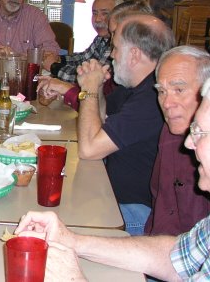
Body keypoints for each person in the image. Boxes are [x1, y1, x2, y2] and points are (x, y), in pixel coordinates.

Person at [17, 63, 210, 281]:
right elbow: (177, 257)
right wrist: (71, 240)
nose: (190, 144)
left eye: (201, 133)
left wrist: (71, 277)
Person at [53, 14, 173, 236]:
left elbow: (89, 149)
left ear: (135, 55)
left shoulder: (151, 100)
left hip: (137, 213)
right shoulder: (135, 84)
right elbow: (102, 119)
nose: (112, 56)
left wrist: (88, 90)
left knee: (55, 222)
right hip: (110, 192)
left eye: (116, 49)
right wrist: (96, 87)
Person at [147, 46, 210, 236]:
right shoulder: (170, 129)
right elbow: (160, 205)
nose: (166, 103)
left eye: (179, 90)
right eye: (161, 91)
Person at [38, 0, 153, 112]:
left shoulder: (146, 93)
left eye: (115, 33)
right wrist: (65, 87)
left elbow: (95, 108)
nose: (112, 54)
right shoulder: (126, 80)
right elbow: (94, 99)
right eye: (94, 13)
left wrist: (67, 88)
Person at [43, 0, 123, 83]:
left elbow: (93, 79)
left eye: (105, 13)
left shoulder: (118, 43)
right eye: (95, 13)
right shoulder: (102, 38)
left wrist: (54, 67)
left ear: (120, 15)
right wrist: (59, 59)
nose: (97, 19)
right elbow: (84, 58)